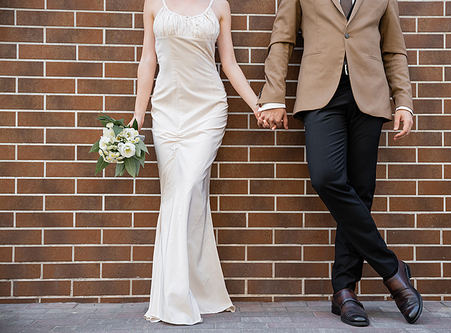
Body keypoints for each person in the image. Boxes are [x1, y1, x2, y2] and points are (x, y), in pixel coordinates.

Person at [257, 0, 422, 327]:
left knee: (360, 193)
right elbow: (282, 39)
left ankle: (344, 291)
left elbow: (394, 49)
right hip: (320, 95)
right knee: (326, 177)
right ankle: (392, 268)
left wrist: (403, 100)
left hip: (370, 95)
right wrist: (274, 94)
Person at [129, 0, 259, 325]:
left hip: (208, 110)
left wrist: (258, 105)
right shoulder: (153, 4)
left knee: (185, 191)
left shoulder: (219, 6)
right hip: (166, 112)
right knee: (184, 196)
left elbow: (228, 63)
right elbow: (148, 59)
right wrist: (137, 118)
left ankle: (174, 296)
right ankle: (200, 291)